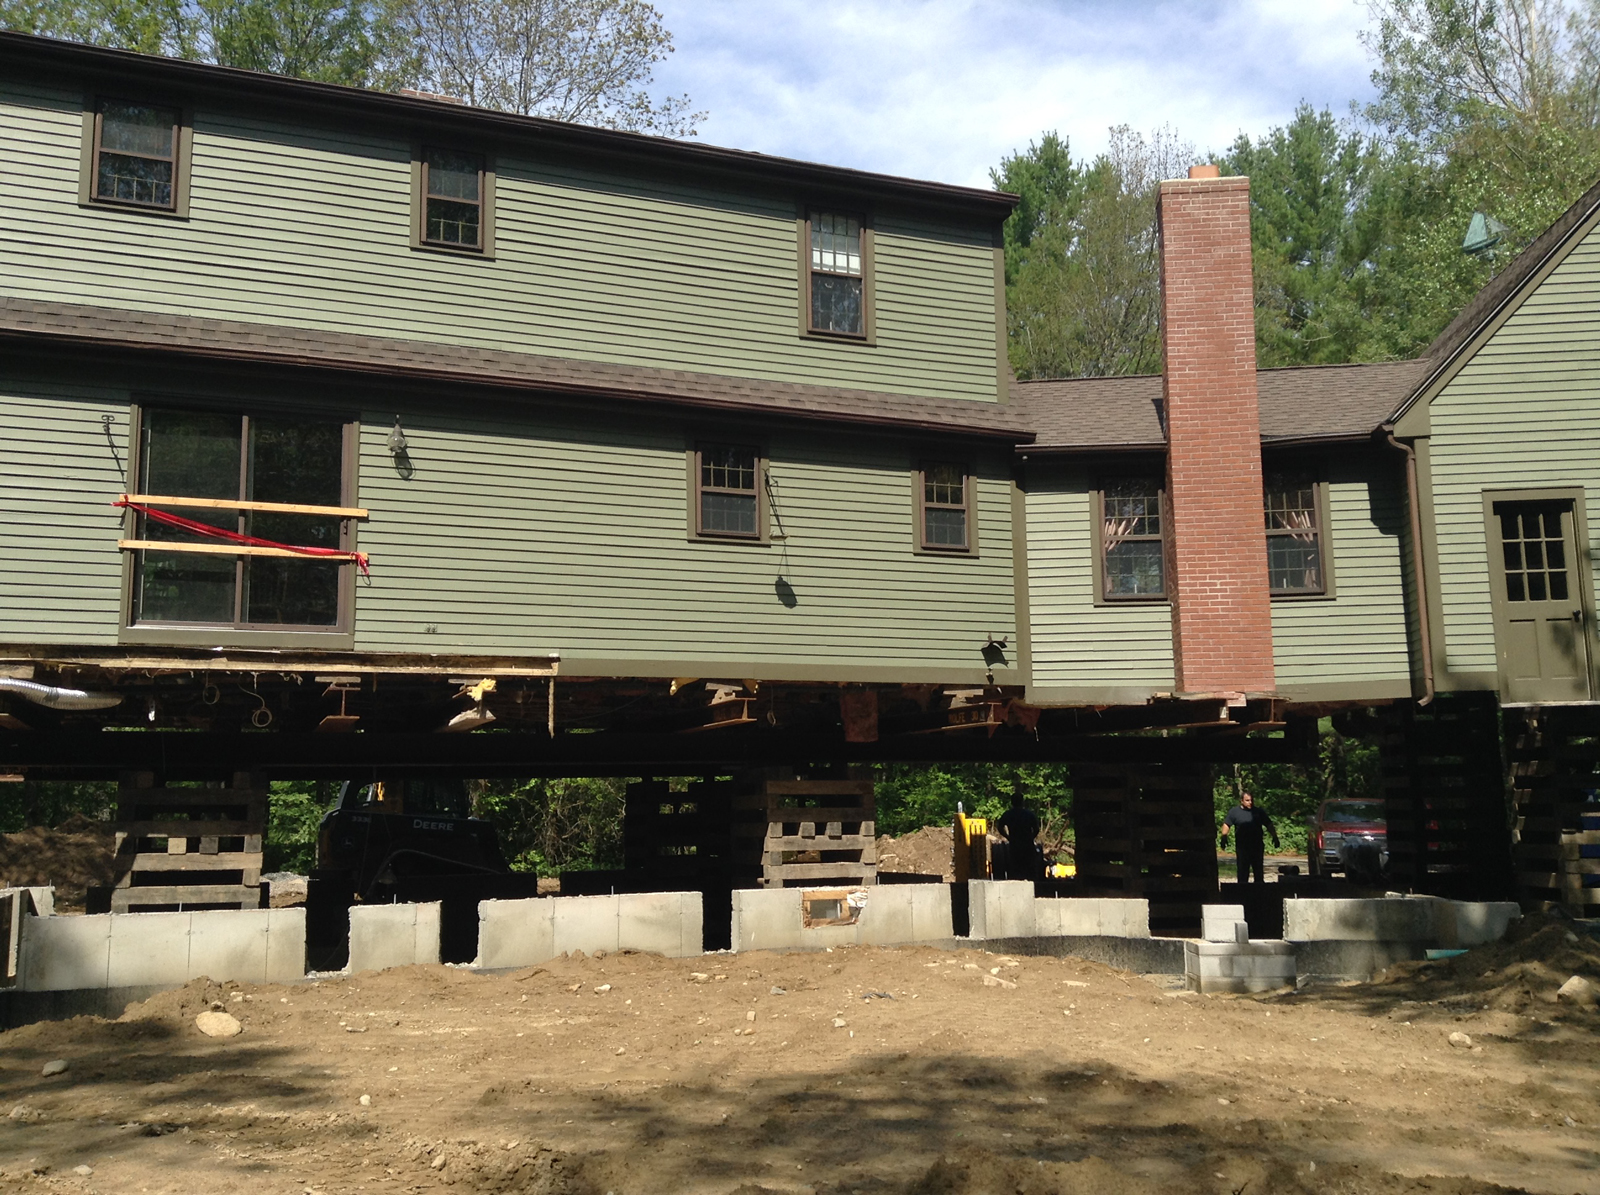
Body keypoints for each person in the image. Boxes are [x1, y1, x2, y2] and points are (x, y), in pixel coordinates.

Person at [1220, 790, 1278, 886]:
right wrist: (1224, 837)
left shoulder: (1258, 812)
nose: (1250, 802)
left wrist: (1275, 837)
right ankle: (1242, 892)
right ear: (1241, 801)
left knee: (1258, 871)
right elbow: (1227, 824)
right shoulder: (1234, 812)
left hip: (1257, 846)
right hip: (1242, 847)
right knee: (1243, 871)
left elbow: (1269, 824)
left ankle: (1259, 892)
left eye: (1251, 800)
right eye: (1247, 800)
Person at [996, 795, 1043, 882]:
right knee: (1029, 868)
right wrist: (1031, 837)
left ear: (1012, 802)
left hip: (1014, 844)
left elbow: (1000, 827)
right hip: (1028, 845)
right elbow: (1036, 829)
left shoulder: (1008, 814)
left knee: (1015, 868)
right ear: (1022, 802)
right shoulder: (1029, 814)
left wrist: (1008, 837)